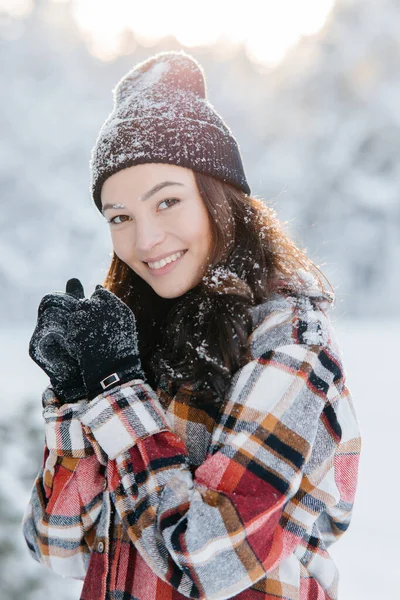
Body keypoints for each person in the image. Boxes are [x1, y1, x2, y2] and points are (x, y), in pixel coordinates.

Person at [22, 49, 361, 600]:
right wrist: (72, 398)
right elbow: (57, 546)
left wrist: (114, 394)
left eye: (168, 201)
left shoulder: (291, 345)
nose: (145, 239)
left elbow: (207, 560)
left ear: (218, 198)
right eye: (120, 217)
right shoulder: (138, 340)